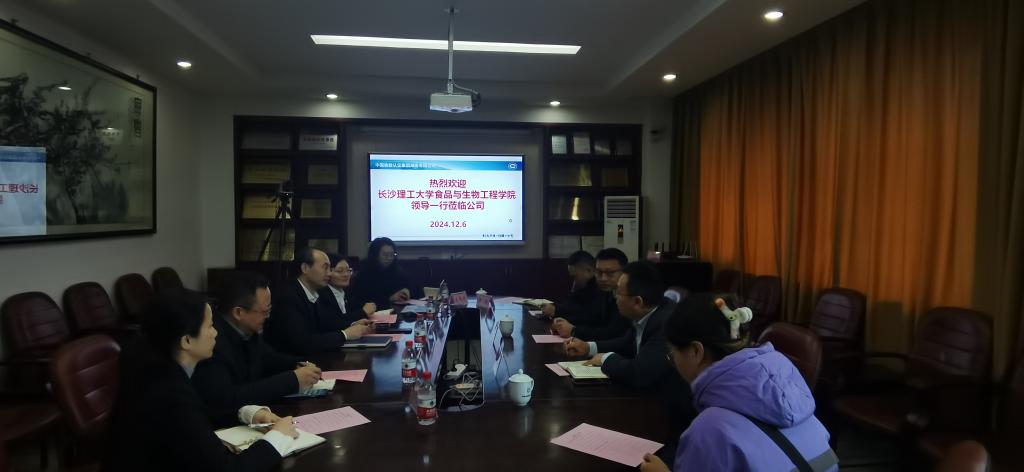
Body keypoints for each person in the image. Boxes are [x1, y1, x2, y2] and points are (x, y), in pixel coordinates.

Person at [104, 289, 298, 471]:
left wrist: (247, 413)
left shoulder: (159, 365)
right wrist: (278, 437)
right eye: (210, 326)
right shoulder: (168, 392)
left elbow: (203, 409)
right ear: (187, 340)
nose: (216, 333)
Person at [639, 294, 838, 472]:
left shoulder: (709, 429)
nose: (673, 361)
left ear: (696, 351)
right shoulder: (792, 391)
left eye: (672, 353)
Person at [192, 272, 322, 427]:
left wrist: (299, 364)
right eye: (264, 312)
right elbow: (227, 399)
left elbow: (268, 358)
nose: (268, 316)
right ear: (239, 312)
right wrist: (292, 379)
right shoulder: (212, 344)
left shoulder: (247, 330)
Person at [264, 247, 373, 355]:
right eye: (325, 268)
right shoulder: (288, 297)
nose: (329, 273)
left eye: (330, 269)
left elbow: (325, 325)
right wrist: (345, 334)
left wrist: (352, 324)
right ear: (305, 268)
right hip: (293, 361)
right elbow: (303, 342)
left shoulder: (313, 293)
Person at [550, 248, 631, 341]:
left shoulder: (629, 297)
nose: (603, 278)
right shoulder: (605, 292)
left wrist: (574, 331)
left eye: (610, 273)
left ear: (625, 272)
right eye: (599, 272)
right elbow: (591, 318)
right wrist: (562, 322)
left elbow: (614, 333)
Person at [317, 253, 377, 330]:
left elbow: (351, 312)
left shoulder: (346, 292)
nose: (346, 274)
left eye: (348, 270)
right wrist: (363, 312)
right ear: (328, 272)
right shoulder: (322, 294)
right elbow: (333, 321)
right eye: (339, 271)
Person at [350, 237, 412, 307]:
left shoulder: (396, 269)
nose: (389, 258)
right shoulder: (364, 272)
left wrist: (407, 290)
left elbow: (410, 286)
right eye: (385, 255)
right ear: (375, 255)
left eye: (392, 254)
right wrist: (389, 298)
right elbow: (364, 299)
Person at [540, 250, 601, 320]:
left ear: (589, 270)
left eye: (575, 276)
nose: (574, 281)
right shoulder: (584, 285)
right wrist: (554, 307)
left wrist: (556, 310)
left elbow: (586, 313)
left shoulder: (599, 288)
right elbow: (570, 304)